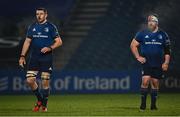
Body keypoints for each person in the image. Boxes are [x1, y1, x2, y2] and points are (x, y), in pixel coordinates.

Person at [19, 7, 62, 112]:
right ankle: (40, 99)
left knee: (45, 82)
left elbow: (59, 41)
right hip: (34, 57)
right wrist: (22, 56)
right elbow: (27, 42)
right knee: (30, 80)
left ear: (46, 15)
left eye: (41, 14)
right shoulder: (32, 27)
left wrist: (50, 47)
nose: (39, 16)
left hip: (46, 58)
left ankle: (44, 105)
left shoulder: (51, 27)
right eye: (37, 14)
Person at [130, 14, 171, 111]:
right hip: (147, 62)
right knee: (145, 81)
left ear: (156, 23)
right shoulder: (142, 33)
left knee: (155, 83)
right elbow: (133, 45)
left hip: (158, 63)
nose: (150, 23)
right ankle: (143, 105)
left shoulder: (163, 35)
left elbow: (167, 51)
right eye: (149, 21)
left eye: (152, 21)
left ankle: (153, 106)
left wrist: (166, 63)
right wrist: (138, 57)